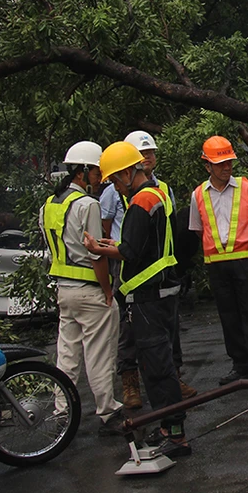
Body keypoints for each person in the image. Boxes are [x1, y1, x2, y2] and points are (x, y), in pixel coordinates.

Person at [85, 141, 189, 458]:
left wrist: (99, 249)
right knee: (161, 362)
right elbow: (145, 246)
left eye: (115, 181)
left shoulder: (141, 202)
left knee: (157, 367)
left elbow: (130, 251)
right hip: (162, 292)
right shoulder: (157, 195)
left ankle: (175, 434)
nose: (115, 188)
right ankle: (168, 428)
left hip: (148, 297)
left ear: (127, 173)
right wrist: (113, 244)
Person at [101, 130, 196, 410]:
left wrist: (104, 249)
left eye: (150, 153)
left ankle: (170, 407)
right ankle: (133, 385)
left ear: (127, 172)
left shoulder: (151, 193)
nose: (148, 158)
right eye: (143, 153)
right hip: (140, 278)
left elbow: (147, 240)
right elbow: (113, 229)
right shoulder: (116, 193)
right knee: (136, 341)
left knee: (157, 349)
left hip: (149, 282)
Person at [39, 140, 126, 436]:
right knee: (100, 353)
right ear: (82, 172)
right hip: (89, 289)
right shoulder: (88, 204)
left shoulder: (49, 205)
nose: (100, 178)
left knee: (67, 355)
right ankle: (108, 411)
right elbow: (96, 254)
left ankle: (61, 411)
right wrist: (107, 291)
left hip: (64, 290)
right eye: (97, 172)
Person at [189, 136, 248, 384]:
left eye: (229, 162)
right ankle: (241, 366)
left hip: (245, 260)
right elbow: (198, 229)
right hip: (216, 263)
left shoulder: (247, 188)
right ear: (207, 166)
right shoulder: (198, 195)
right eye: (220, 164)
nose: (226, 167)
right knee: (229, 316)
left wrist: (246, 243)